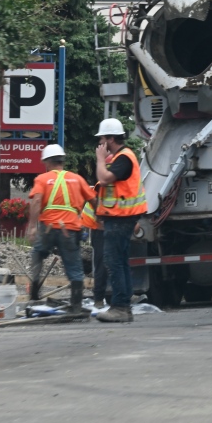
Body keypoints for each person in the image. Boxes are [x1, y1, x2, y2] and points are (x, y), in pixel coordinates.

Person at [26, 144, 96, 313]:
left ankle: (35, 289)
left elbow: (36, 201)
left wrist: (32, 227)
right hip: (70, 229)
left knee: (38, 254)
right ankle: (77, 305)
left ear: (47, 163)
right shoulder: (77, 179)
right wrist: (101, 217)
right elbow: (94, 201)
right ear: (62, 161)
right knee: (74, 266)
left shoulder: (42, 179)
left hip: (48, 228)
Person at [94, 118, 147, 323]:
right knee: (120, 262)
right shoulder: (122, 157)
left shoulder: (124, 158)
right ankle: (123, 305)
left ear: (111, 138)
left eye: (102, 139)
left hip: (119, 219)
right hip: (120, 218)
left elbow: (105, 178)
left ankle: (120, 307)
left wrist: (100, 159)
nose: (100, 144)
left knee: (113, 262)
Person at [81, 201, 109, 309]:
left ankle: (101, 299)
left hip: (101, 227)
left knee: (105, 264)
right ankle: (99, 299)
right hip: (99, 228)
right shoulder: (103, 188)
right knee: (102, 264)